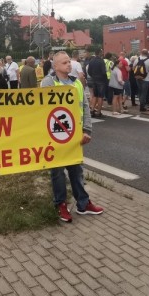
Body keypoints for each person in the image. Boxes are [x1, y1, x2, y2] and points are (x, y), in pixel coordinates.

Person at [40, 51, 104, 223]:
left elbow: (84, 107)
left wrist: (87, 130)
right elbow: (40, 109)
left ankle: (83, 203)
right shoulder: (48, 83)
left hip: (74, 135)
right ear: (55, 66)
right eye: (64, 62)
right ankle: (60, 204)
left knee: (76, 170)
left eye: (69, 61)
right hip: (54, 136)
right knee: (57, 172)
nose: (69, 65)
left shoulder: (77, 83)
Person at [85, 50, 108, 117]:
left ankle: (92, 110)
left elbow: (89, 71)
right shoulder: (101, 61)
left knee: (95, 95)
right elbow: (104, 72)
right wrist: (105, 79)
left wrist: (93, 76)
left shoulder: (91, 61)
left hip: (94, 80)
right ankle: (98, 112)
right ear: (100, 53)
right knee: (100, 96)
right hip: (101, 80)